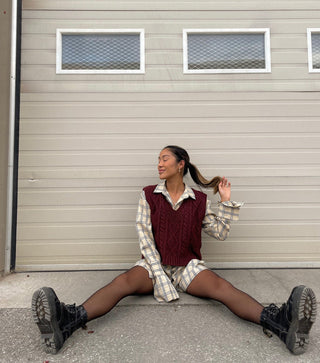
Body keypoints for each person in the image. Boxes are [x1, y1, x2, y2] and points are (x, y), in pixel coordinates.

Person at [31, 145, 317, 355]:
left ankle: (281, 324)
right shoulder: (148, 195)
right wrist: (161, 280)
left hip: (187, 267)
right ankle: (66, 323)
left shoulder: (200, 200)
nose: (158, 163)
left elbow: (220, 233)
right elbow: (144, 238)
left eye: (164, 158)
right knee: (124, 282)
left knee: (220, 287)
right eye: (157, 160)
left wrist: (226, 202)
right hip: (154, 265)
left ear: (181, 164)